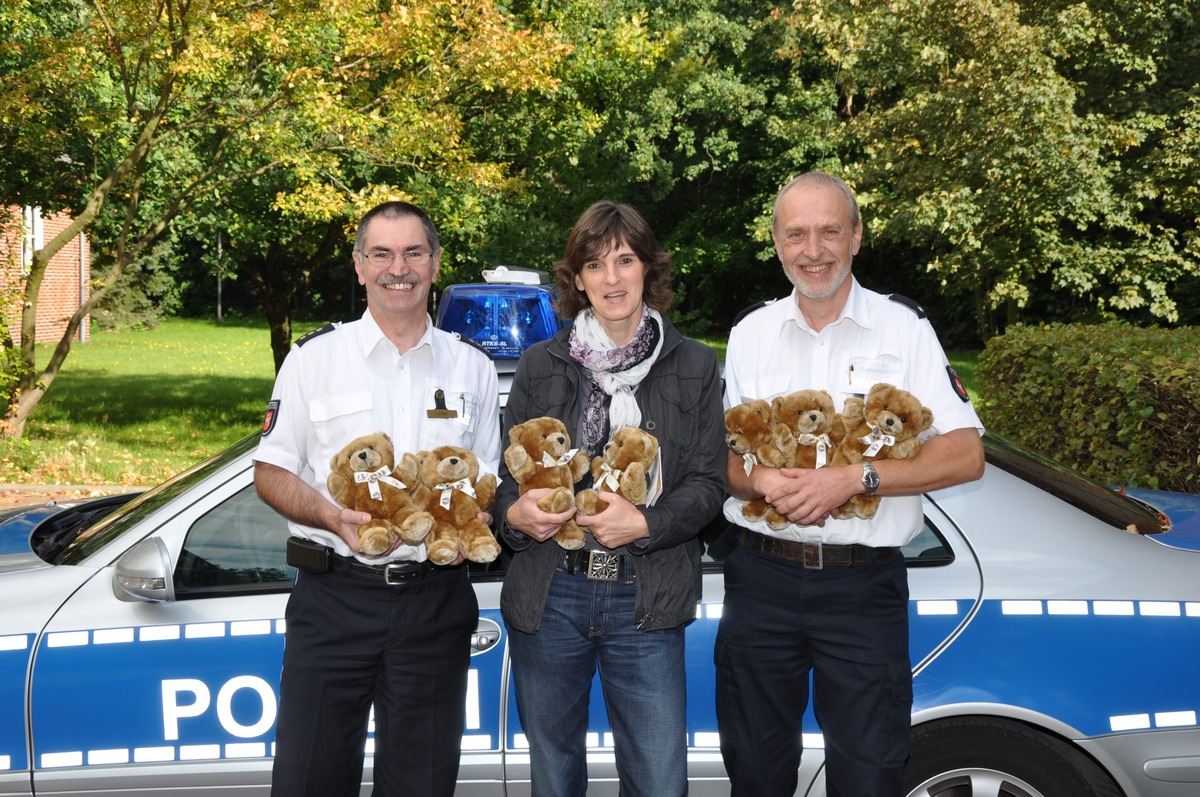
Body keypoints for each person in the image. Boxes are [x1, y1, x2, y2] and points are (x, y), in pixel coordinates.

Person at [714, 172, 985, 797]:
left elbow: (967, 453)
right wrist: (757, 480)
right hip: (761, 582)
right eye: (797, 234)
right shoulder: (750, 332)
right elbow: (721, 462)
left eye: (830, 231)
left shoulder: (905, 328)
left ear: (857, 236)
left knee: (870, 775)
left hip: (862, 586)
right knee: (755, 774)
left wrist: (856, 477)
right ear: (777, 244)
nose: (814, 250)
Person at [253, 201, 501, 797]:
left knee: (421, 786)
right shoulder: (313, 361)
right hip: (335, 600)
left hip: (435, 607)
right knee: (308, 781)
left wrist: (474, 516)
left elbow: (487, 480)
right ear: (360, 266)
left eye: (414, 253)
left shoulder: (473, 368)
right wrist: (331, 516)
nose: (400, 268)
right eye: (382, 254)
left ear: (435, 264)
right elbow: (271, 472)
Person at [494, 200, 726, 797]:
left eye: (626, 260)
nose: (612, 278)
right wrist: (516, 518)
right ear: (576, 280)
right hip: (551, 594)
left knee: (657, 781)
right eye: (594, 265)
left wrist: (647, 523)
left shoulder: (696, 366)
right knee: (553, 777)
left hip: (645, 595)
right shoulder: (538, 364)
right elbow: (501, 482)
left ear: (649, 269)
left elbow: (709, 485)